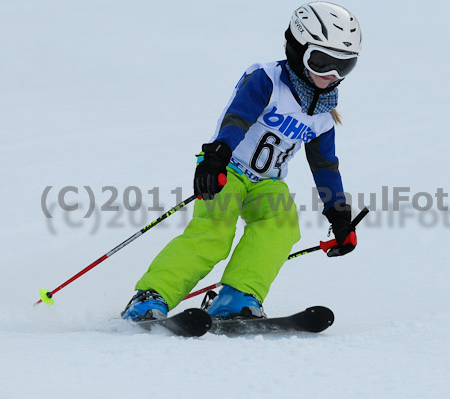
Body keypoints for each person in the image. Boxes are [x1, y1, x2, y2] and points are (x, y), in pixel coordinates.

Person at [122, 2, 362, 321]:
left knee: (281, 225)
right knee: (214, 232)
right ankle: (150, 297)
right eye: (321, 61)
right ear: (297, 48)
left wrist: (339, 214)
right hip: (227, 169)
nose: (330, 75)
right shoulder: (268, 79)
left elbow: (325, 167)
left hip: (267, 183)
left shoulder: (323, 116)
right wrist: (215, 157)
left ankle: (236, 297)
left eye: (343, 66)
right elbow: (238, 118)